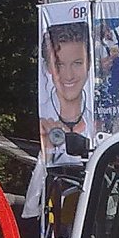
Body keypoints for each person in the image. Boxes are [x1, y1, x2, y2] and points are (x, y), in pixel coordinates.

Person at [39, 22, 93, 166]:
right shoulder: (39, 121)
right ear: (47, 67)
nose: (68, 76)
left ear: (90, 64)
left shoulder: (100, 120)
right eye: (59, 65)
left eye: (77, 63)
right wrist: (46, 155)